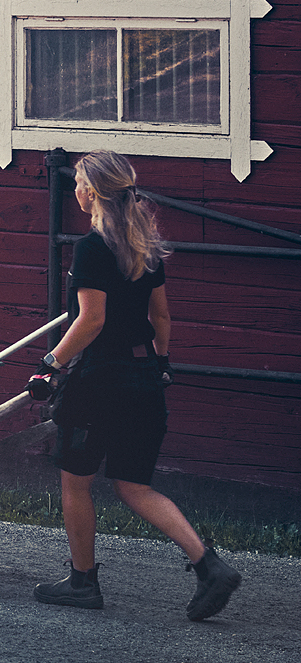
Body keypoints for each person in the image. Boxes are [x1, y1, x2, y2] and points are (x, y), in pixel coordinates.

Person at [32, 150, 242, 619]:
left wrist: (50, 364)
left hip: (100, 380)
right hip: (144, 376)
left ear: (94, 191)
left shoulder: (91, 247)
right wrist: (161, 364)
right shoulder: (143, 245)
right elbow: (161, 316)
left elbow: (91, 320)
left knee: (76, 481)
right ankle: (210, 567)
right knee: (134, 485)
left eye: (80, 182)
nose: (76, 190)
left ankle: (83, 582)